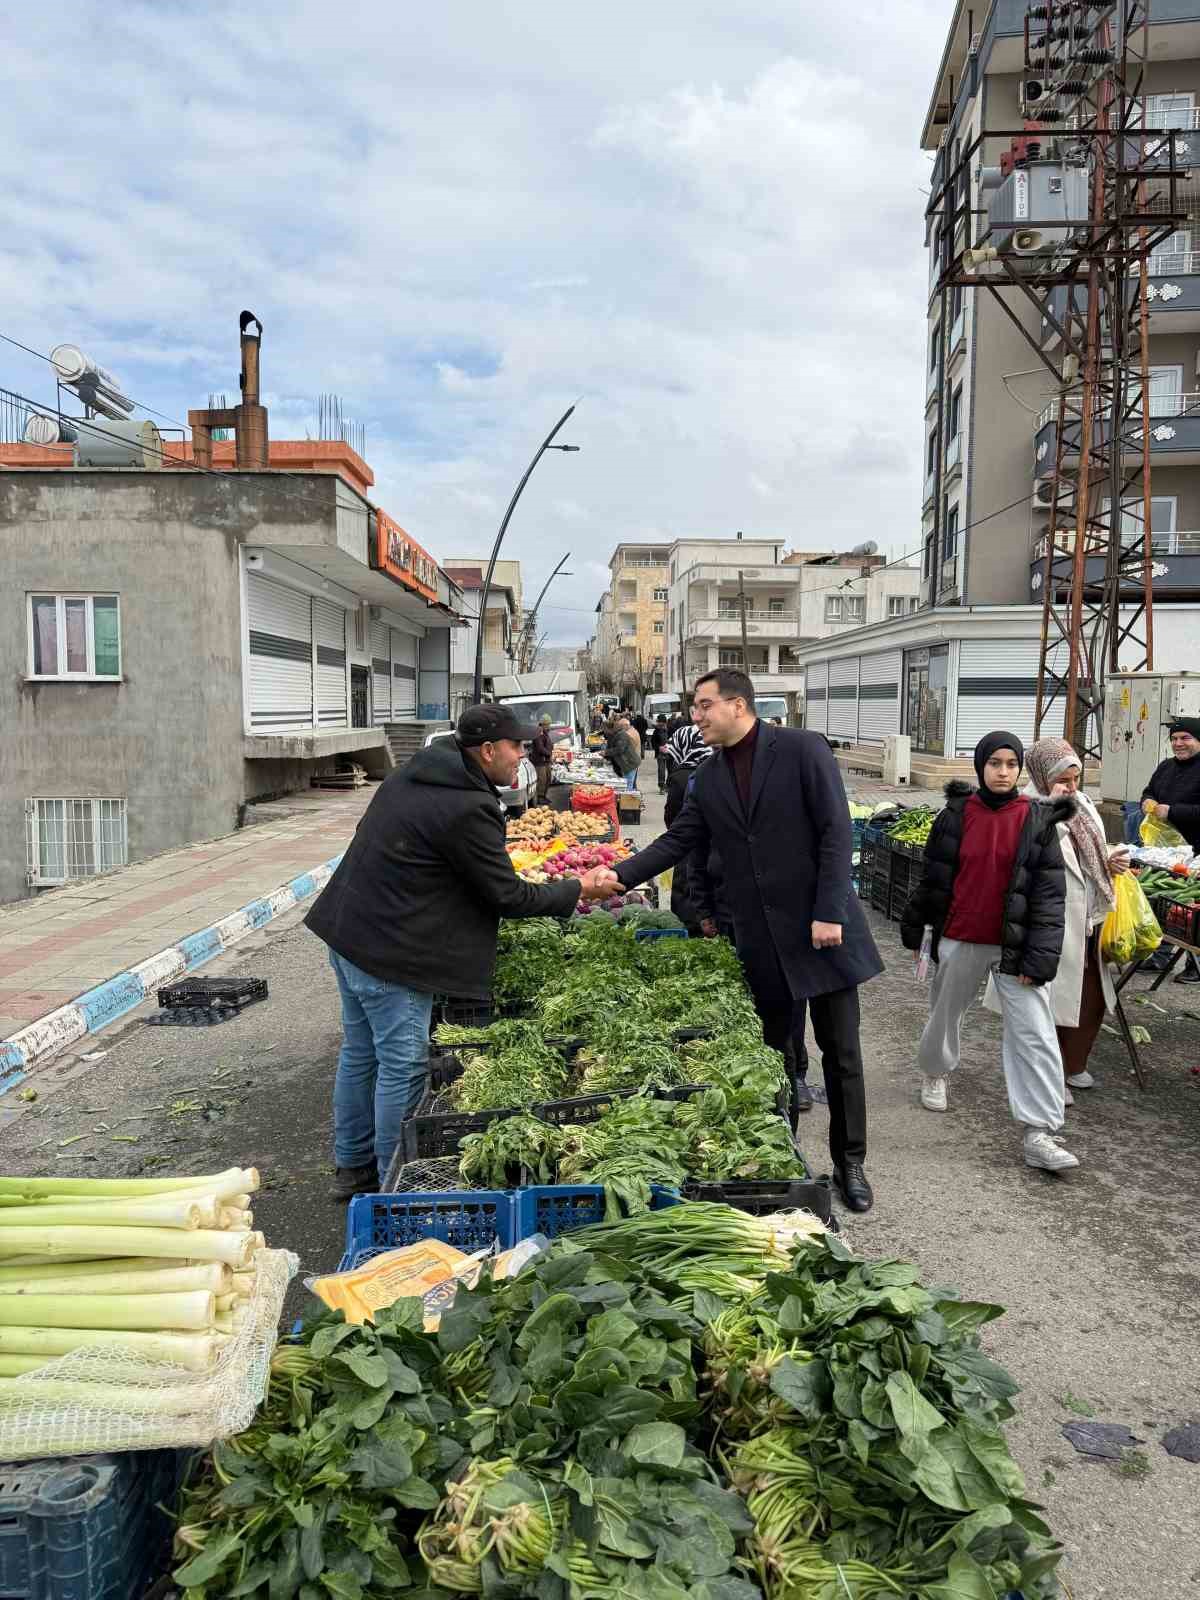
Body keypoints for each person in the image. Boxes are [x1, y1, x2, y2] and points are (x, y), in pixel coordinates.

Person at [595, 668, 883, 1212]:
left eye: (703, 706)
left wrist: (829, 911)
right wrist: (618, 875)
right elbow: (680, 839)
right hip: (761, 938)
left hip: (824, 930)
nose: (694, 716)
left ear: (737, 705)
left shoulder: (801, 750)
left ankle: (850, 1162)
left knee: (841, 1053)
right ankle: (786, 1156)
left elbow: (834, 831)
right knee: (775, 1057)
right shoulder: (710, 777)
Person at [306, 704, 613, 1198]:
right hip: (392, 952)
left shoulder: (414, 775)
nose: (523, 757)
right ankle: (392, 1186)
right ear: (488, 750)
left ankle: (352, 1168)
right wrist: (578, 889)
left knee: (361, 1054)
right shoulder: (466, 807)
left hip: (348, 931)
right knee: (401, 1064)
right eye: (517, 748)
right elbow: (507, 896)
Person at [900, 733, 1078, 1174]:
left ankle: (1040, 1132)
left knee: (1035, 1033)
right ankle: (936, 1072)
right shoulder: (956, 815)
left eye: (1011, 763)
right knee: (945, 1013)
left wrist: (1040, 959)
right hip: (961, 935)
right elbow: (934, 878)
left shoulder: (1037, 819)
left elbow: (1050, 897)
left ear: (1020, 770)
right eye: (994, 762)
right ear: (980, 766)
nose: (1003, 771)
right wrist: (919, 927)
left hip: (1014, 947)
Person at [1015, 738, 1131, 1097]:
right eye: (1063, 780)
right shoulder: (1028, 811)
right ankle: (1049, 1079)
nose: (1072, 787)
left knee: (1090, 996)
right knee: (1050, 1002)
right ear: (1041, 775)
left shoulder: (1081, 803)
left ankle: (1074, 1063)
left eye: (1076, 778)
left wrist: (1110, 860)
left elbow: (1094, 849)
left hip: (1089, 916)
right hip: (1052, 920)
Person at [1142, 718, 1200, 983]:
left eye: (1185, 738)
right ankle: (1160, 955)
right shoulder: (1165, 767)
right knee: (1164, 900)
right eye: (1175, 739)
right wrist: (1148, 802)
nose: (1178, 743)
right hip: (1167, 853)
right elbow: (1148, 792)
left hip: (1197, 851)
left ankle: (1195, 965)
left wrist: (1174, 811)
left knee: (1193, 908)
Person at [530, 714, 555, 804]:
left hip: (546, 761)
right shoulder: (538, 733)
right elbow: (540, 748)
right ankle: (540, 797)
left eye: (549, 724)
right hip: (539, 762)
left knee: (548, 779)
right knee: (542, 779)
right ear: (543, 724)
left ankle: (544, 796)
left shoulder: (545, 732)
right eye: (547, 725)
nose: (549, 726)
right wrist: (549, 753)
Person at [651, 715, 671, 792]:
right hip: (660, 753)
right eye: (658, 722)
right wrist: (658, 747)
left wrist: (670, 746)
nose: (658, 724)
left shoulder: (670, 729)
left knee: (670, 770)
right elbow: (653, 742)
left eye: (659, 722)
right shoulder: (656, 731)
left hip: (670, 753)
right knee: (661, 770)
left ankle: (668, 785)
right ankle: (661, 786)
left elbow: (675, 739)